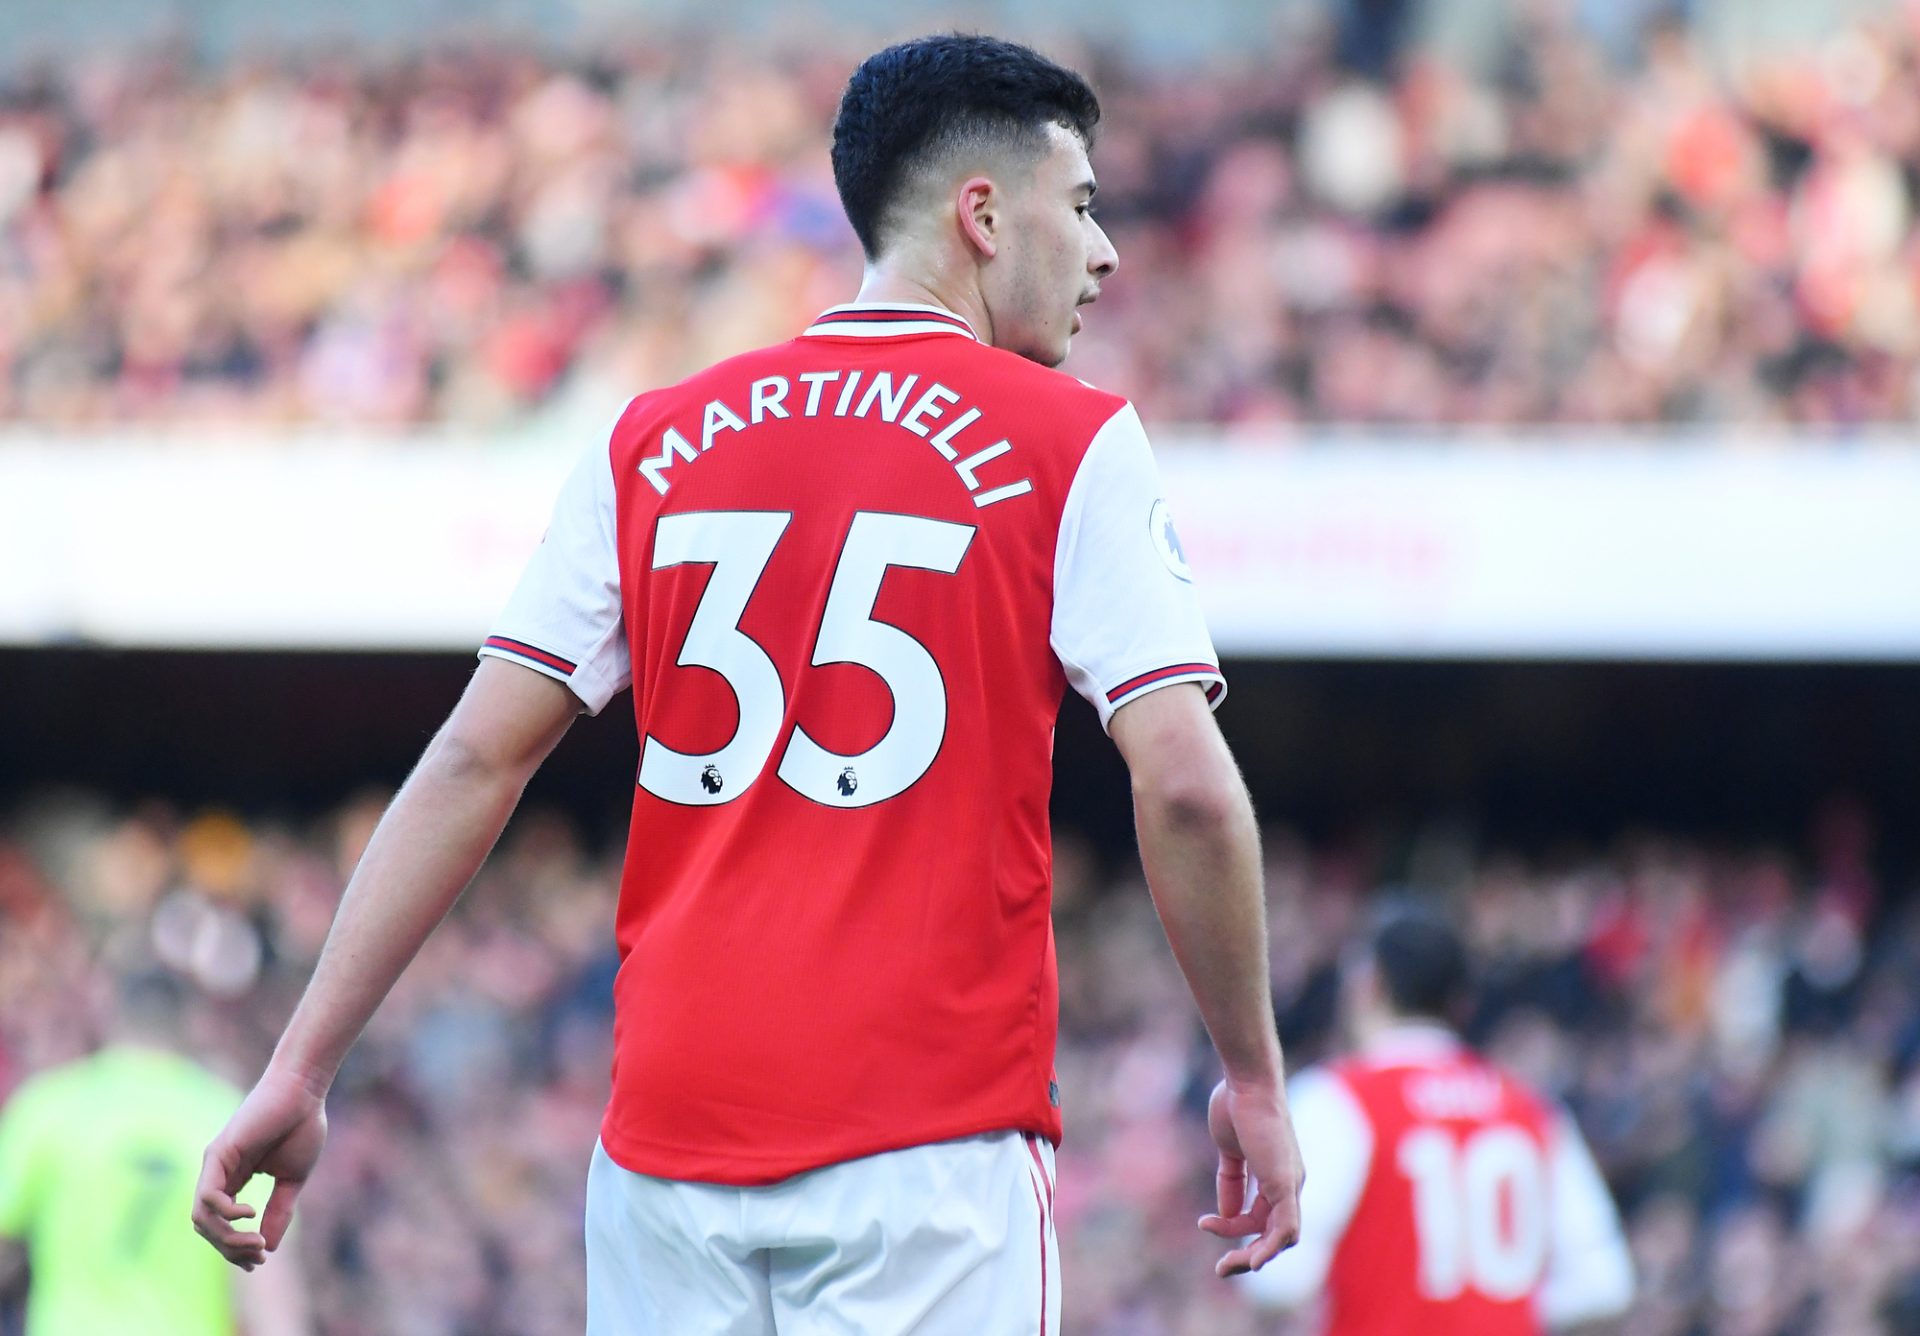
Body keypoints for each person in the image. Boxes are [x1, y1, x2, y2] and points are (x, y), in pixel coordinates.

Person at [191, 32, 1304, 1332]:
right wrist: (1253, 1075)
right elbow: (1185, 787)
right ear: (984, 215)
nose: (1104, 253)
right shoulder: (1072, 441)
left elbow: (473, 759)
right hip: (928, 1146)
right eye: (1083, 205)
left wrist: (301, 1067)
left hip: (663, 1158)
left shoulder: (652, 440)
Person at [1238, 905, 1633, 1334]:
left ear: (1369, 985)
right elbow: (1604, 1284)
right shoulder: (1533, 1111)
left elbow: (1277, 1276)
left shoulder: (1336, 1100)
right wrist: (1501, 1314)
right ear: (1461, 1002)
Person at [0, 968, 308, 1336]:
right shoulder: (229, 1119)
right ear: (189, 1025)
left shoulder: (51, 1108)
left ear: (113, 1017)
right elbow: (268, 1287)